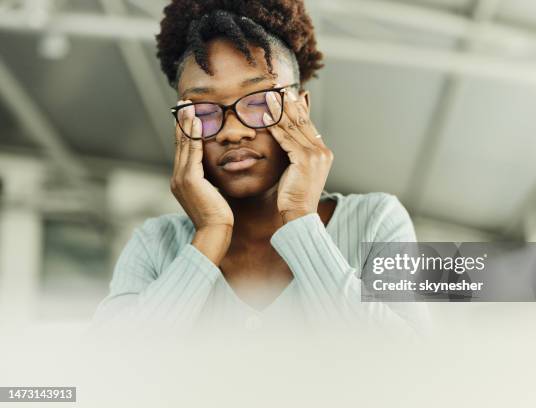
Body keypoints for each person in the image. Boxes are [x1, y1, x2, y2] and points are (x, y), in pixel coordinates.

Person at [92, 0, 429, 336]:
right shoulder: (155, 243)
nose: (232, 131)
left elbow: (410, 364)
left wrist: (300, 218)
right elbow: (111, 366)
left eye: (258, 101)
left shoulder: (377, 220)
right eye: (203, 111)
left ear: (301, 110)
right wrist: (209, 235)